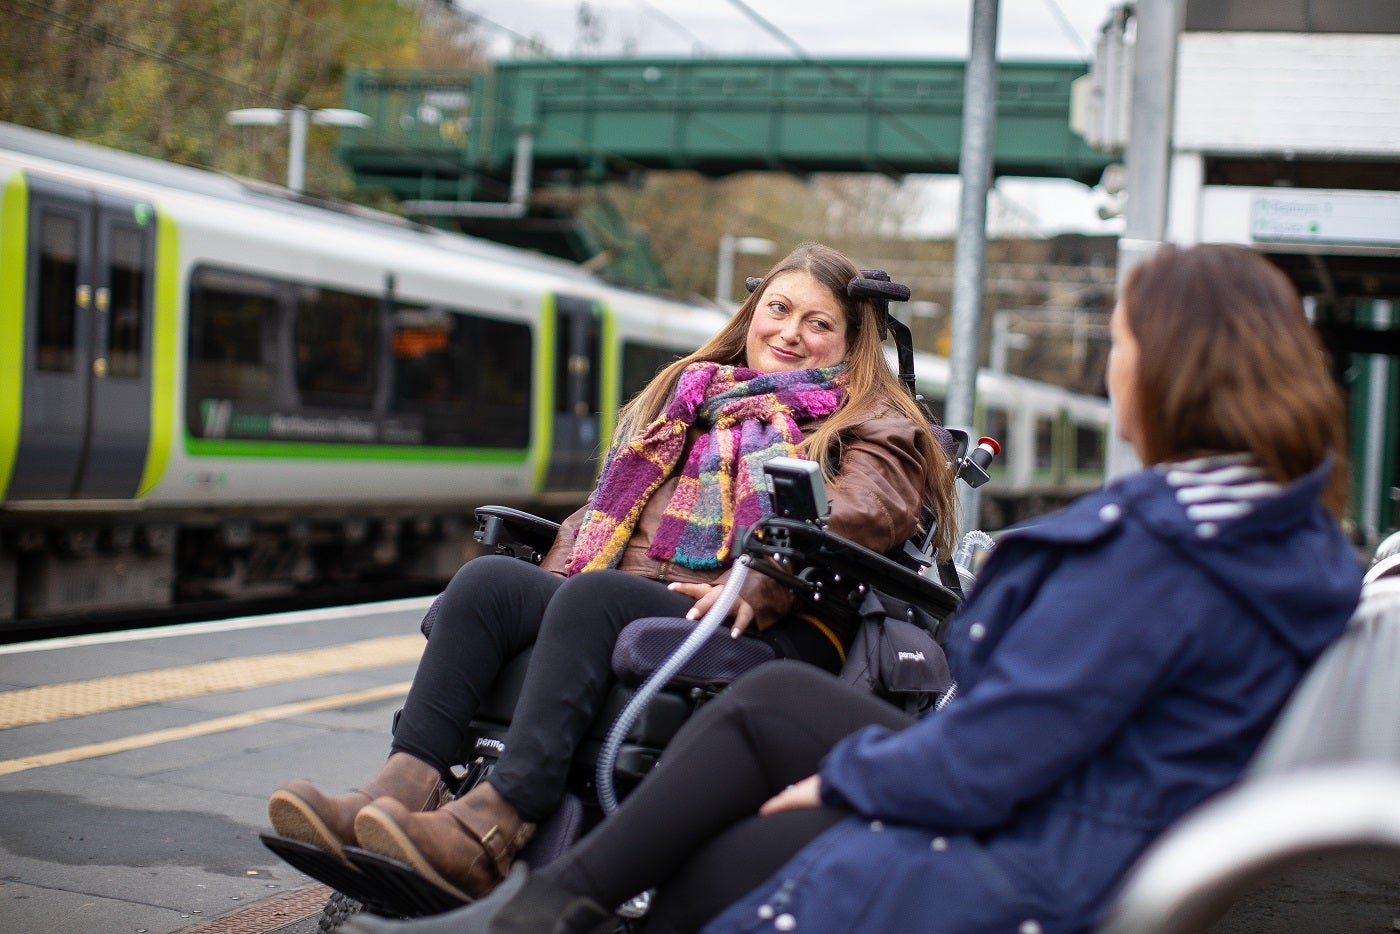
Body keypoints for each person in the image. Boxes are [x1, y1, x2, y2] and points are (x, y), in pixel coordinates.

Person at [343, 243, 1365, 934]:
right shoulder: (1277, 539)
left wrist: (851, 777)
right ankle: (413, 804)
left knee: (650, 664)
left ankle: (520, 866)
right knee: (499, 585)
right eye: (773, 310)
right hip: (1091, 815)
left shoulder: (1153, 551)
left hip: (1019, 831)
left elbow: (1002, 747)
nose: (1111, 372)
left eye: (1118, 349)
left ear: (1175, 374)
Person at [265, 242, 958, 904]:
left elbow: (866, 512)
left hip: (768, 610)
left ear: (851, 340)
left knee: (591, 600)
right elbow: (609, 516)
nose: (790, 332)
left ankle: (492, 828)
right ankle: (399, 790)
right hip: (640, 595)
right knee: (488, 585)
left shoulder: (873, 421)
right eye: (778, 309)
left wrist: (767, 571)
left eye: (818, 323)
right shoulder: (691, 395)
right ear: (752, 315)